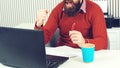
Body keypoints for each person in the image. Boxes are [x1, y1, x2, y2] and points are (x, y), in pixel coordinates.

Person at [34, 0, 108, 50]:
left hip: (85, 55)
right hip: (63, 55)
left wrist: (84, 42)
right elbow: (43, 40)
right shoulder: (58, 10)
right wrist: (38, 25)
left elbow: (103, 42)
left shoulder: (95, 9)